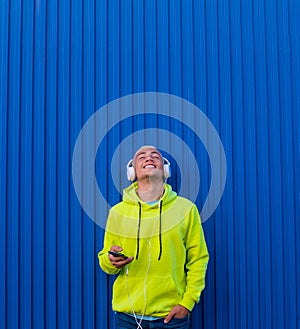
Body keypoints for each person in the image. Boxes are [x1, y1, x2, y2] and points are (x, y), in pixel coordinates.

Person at [98, 146, 209, 329]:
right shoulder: (117, 213)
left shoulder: (186, 209)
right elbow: (105, 261)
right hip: (128, 318)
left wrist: (187, 303)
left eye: (155, 156)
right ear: (132, 171)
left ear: (164, 170)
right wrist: (111, 261)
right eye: (141, 156)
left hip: (172, 318)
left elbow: (198, 259)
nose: (149, 158)